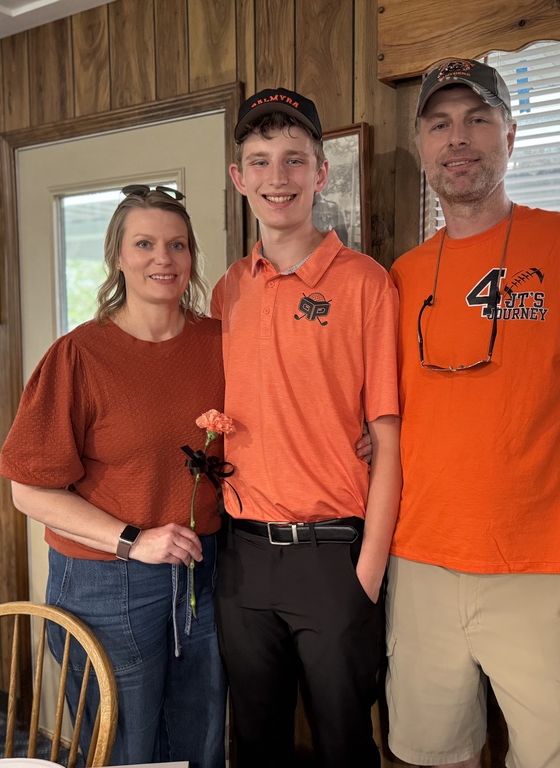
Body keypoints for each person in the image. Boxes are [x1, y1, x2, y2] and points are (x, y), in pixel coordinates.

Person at [385, 58, 560, 767]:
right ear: (421, 146)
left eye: (477, 119)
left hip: (543, 571)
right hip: (419, 567)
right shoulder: (402, 276)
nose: (459, 138)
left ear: (511, 134)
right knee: (430, 756)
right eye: (439, 124)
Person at [0, 186, 226, 768]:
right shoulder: (78, 356)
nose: (163, 259)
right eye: (144, 244)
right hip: (107, 581)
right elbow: (29, 489)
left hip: (205, 569)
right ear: (118, 256)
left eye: (177, 245)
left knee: (201, 744)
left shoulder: (219, 343)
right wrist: (133, 539)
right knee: (127, 749)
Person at [210, 87, 402, 768]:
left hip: (333, 558)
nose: (276, 178)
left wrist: (367, 576)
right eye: (259, 162)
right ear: (239, 179)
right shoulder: (228, 288)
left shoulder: (366, 285)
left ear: (322, 173)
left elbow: (389, 439)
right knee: (255, 747)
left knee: (345, 748)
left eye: (294, 160)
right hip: (241, 558)